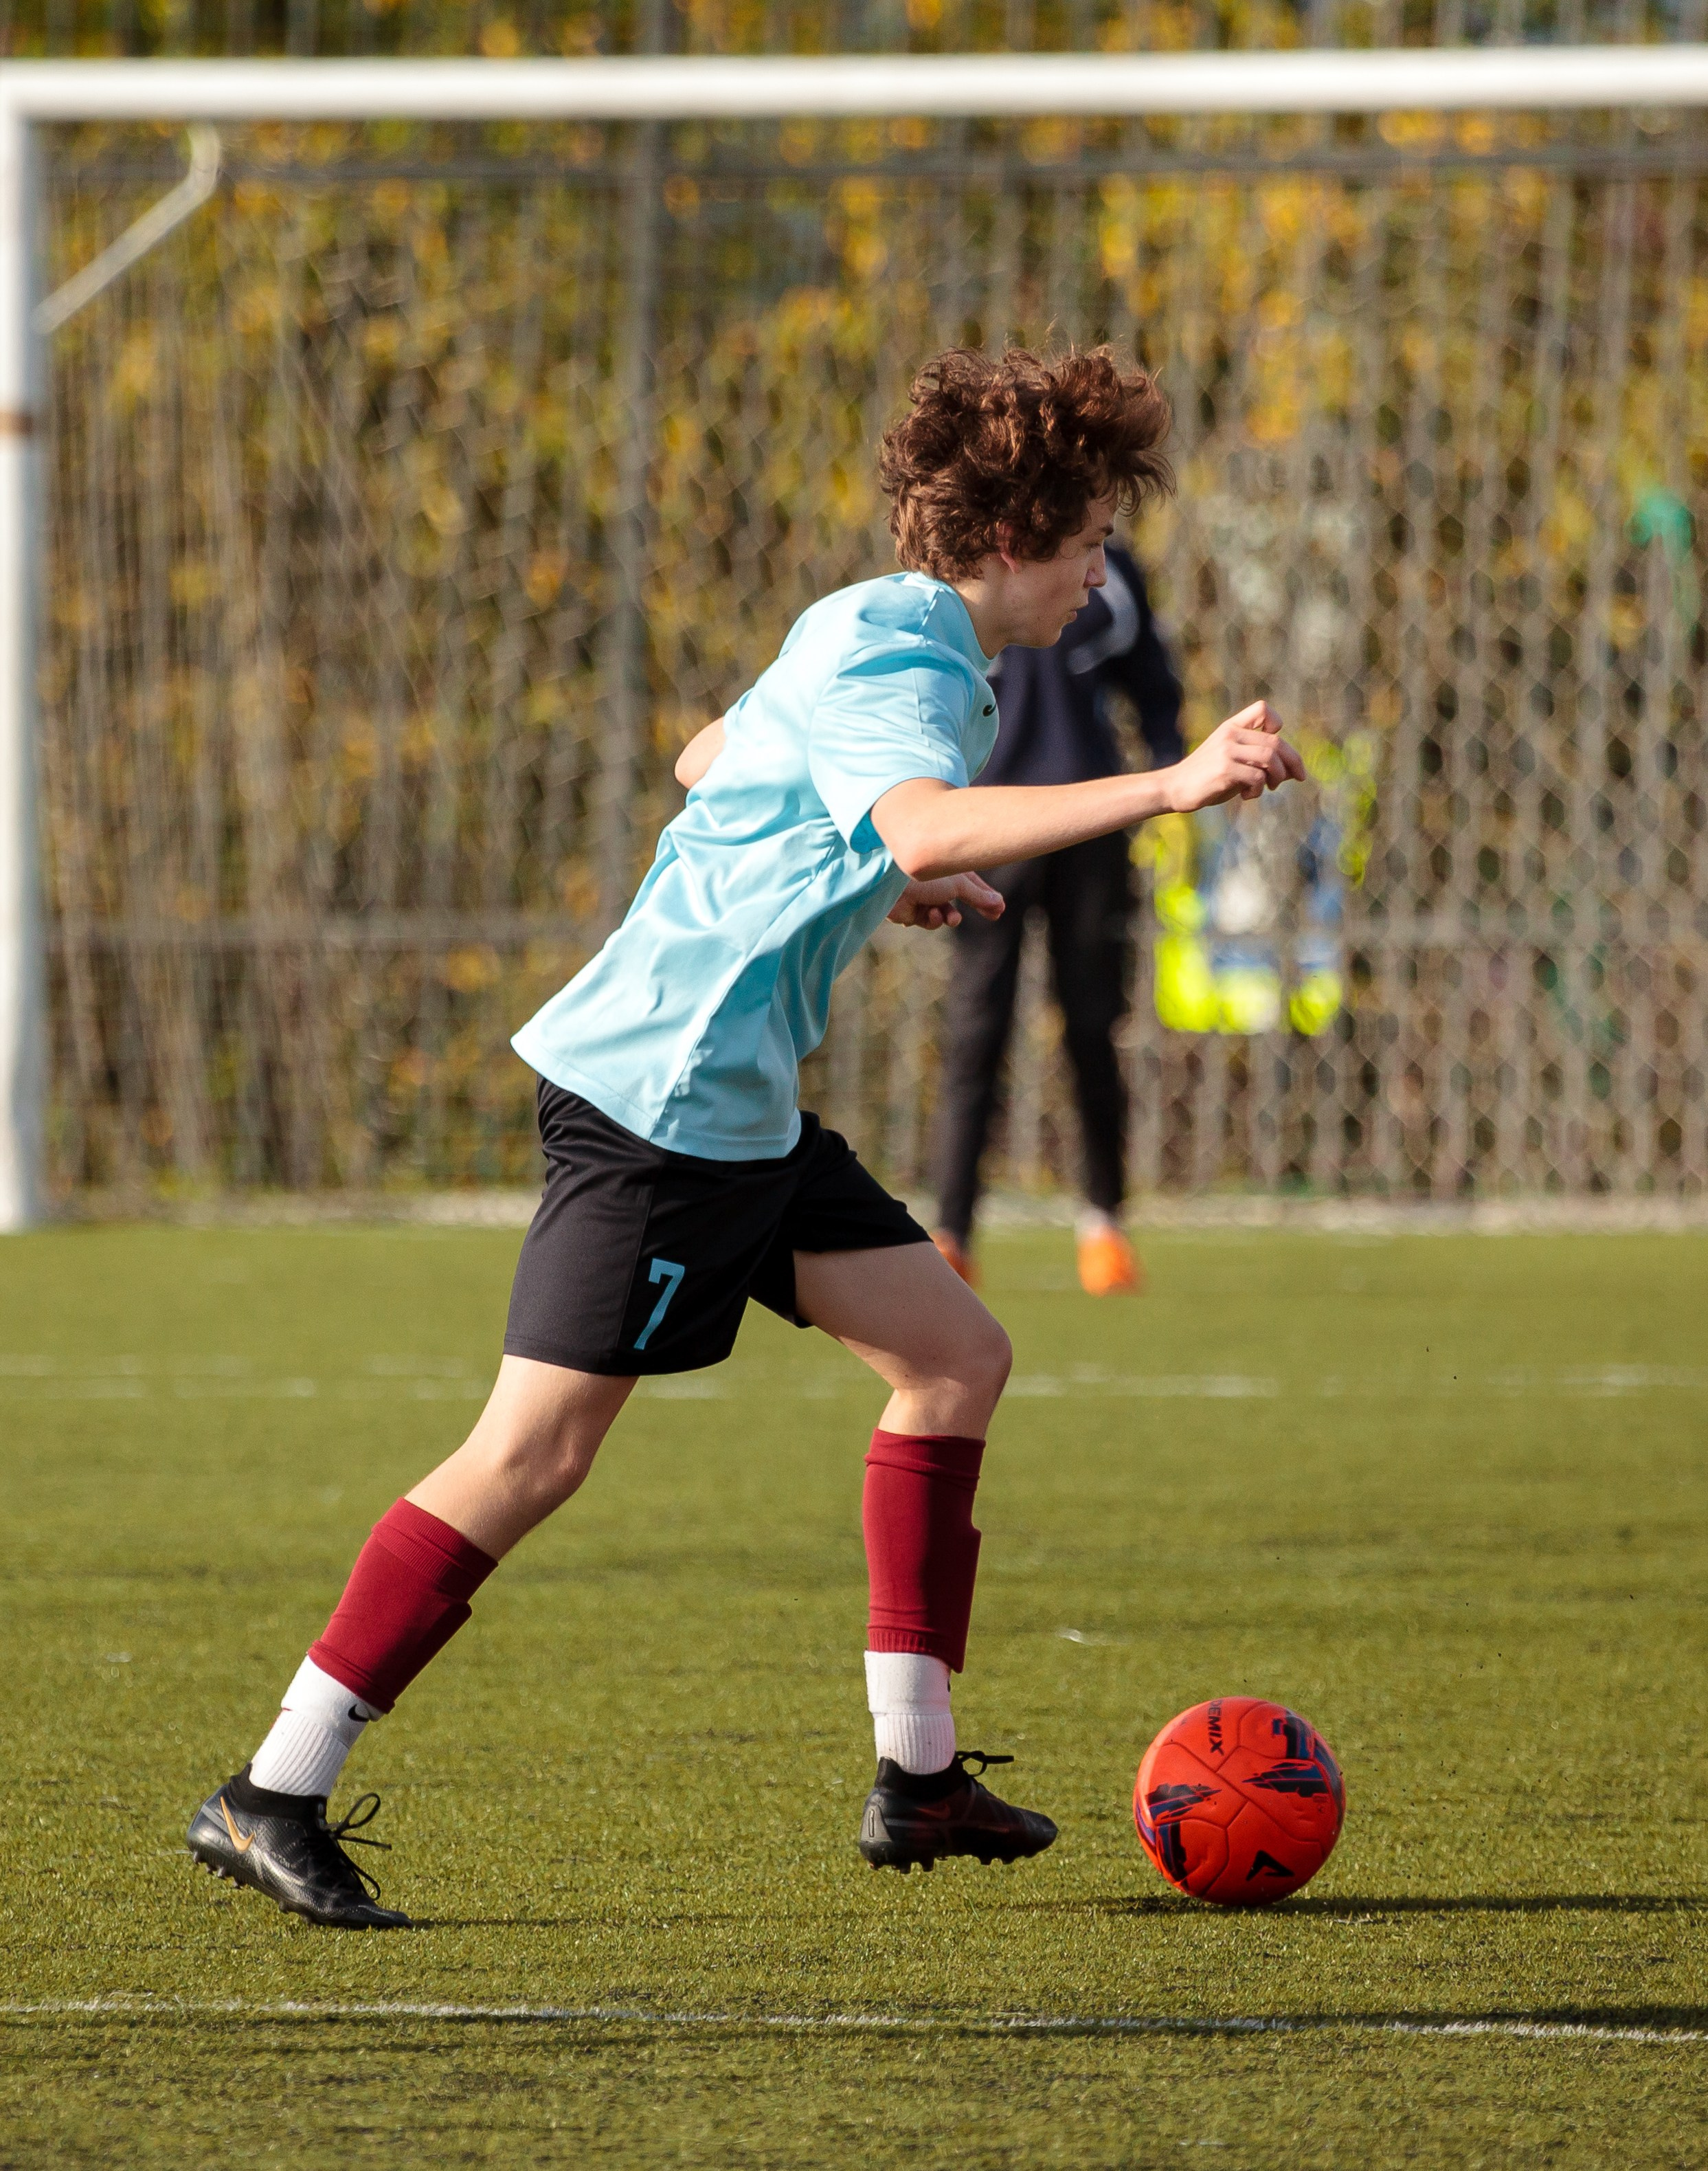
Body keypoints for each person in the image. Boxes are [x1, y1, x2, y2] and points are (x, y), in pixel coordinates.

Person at [184, 346, 1303, 1928]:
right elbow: (905, 807)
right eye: (1089, 542)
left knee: (955, 1355)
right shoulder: (912, 661)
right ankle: (274, 1787)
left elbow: (713, 757)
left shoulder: (876, 624)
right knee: (532, 1454)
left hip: (738, 1111)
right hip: (658, 1105)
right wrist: (1164, 786)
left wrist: (870, 875)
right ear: (1010, 540)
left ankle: (917, 1778)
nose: (1100, 574)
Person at [930, 540, 1183, 1298]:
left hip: (1087, 824)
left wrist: (1170, 768)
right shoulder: (964, 561)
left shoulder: (1106, 571)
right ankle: (952, 1233)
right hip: (989, 826)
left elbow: (1154, 685)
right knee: (976, 1029)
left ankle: (1104, 1223)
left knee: (1092, 1026)